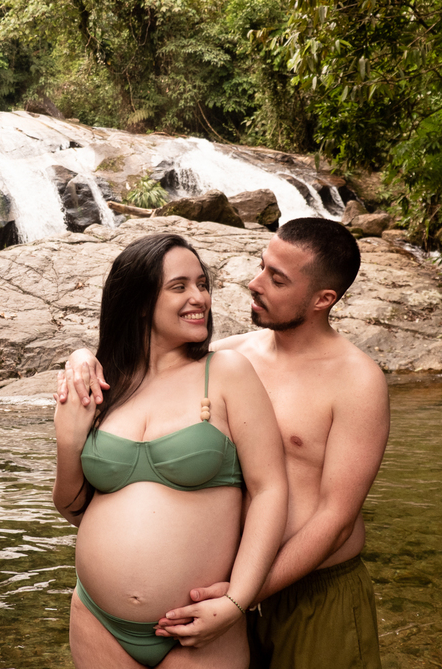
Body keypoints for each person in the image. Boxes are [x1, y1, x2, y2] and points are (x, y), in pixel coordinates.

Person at [58, 218, 390, 669]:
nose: (254, 284)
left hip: (310, 589)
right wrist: (81, 358)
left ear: (322, 299)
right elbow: (151, 362)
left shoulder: (357, 380)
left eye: (276, 278)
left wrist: (241, 593)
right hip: (214, 591)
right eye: (261, 267)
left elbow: (335, 520)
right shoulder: (232, 356)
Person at [53, 233, 289, 668]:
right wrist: (68, 441)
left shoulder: (226, 373)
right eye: (179, 286)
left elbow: (269, 490)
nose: (198, 297)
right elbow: (71, 505)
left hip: (198, 628)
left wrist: (238, 600)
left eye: (202, 284)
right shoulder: (108, 383)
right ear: (141, 301)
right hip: (97, 620)